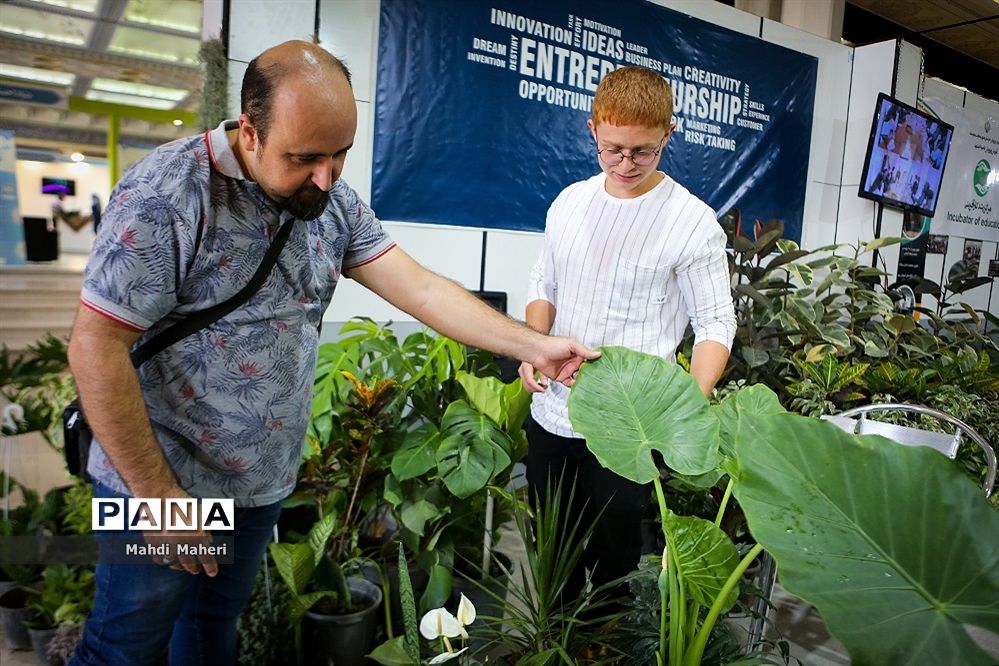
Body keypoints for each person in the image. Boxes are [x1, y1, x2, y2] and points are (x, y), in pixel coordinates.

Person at [67, 40, 598, 666]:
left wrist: (534, 344)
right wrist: (159, 499)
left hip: (257, 486)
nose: (326, 176)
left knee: (212, 632)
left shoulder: (331, 203)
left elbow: (421, 288)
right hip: (157, 482)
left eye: (340, 154)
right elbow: (96, 346)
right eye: (305, 157)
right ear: (250, 131)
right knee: (123, 647)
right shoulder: (168, 195)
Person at [518, 66, 736, 605]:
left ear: (669, 133)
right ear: (593, 129)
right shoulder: (569, 202)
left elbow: (715, 322)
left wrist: (685, 406)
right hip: (552, 412)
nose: (625, 165)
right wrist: (532, 345)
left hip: (629, 432)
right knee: (552, 554)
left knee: (615, 567)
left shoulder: (692, 222)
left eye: (643, 152)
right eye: (612, 149)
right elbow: (543, 281)